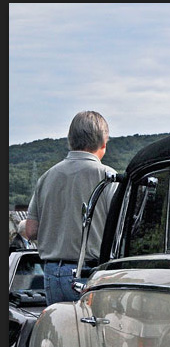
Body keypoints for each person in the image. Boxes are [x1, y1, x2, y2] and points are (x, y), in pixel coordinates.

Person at [24, 111, 117, 305]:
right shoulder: (109, 177)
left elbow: (31, 231)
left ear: (70, 140)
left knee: (62, 331)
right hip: (90, 274)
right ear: (104, 143)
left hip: (51, 273)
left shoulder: (47, 177)